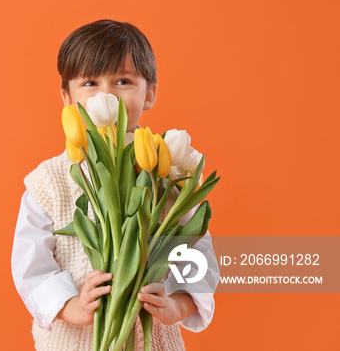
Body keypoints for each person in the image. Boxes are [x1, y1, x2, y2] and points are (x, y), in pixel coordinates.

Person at [11, 20, 218, 350]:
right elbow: (30, 267)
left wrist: (177, 304)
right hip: (75, 342)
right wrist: (71, 306)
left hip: (151, 342)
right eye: (90, 82)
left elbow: (198, 256)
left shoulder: (168, 180)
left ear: (149, 93)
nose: (106, 93)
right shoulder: (50, 182)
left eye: (123, 80)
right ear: (67, 97)